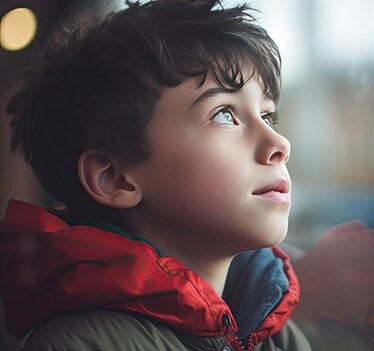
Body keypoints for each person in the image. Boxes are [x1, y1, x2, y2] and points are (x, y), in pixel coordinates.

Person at [0, 0, 311, 350]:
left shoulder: (273, 331)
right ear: (114, 178)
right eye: (225, 115)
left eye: (268, 117)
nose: (279, 143)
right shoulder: (81, 344)